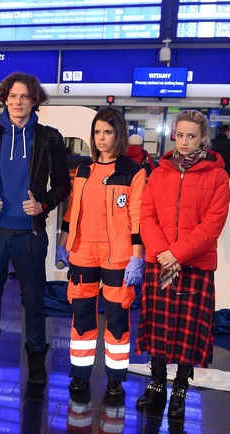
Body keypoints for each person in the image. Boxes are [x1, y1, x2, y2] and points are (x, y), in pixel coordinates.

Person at [0, 72, 71, 385]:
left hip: (31, 234)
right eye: (12, 96)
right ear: (4, 99)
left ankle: (35, 355)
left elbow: (63, 184)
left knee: (34, 299)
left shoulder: (49, 139)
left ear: (35, 100)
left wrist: (43, 205)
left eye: (24, 96)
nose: (17, 102)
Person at [135, 110, 230, 420]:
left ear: (203, 138)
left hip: (194, 265)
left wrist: (176, 253)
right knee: (158, 327)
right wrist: (162, 251)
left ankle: (179, 389)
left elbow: (213, 225)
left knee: (188, 332)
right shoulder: (159, 172)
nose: (184, 141)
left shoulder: (217, 175)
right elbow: (146, 215)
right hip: (160, 262)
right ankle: (157, 383)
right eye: (180, 135)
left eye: (192, 136)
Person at [57, 107, 146, 398]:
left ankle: (115, 377)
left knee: (117, 319)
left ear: (118, 134)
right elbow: (73, 207)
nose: (101, 138)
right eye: (97, 132)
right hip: (83, 251)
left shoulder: (133, 171)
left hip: (118, 256)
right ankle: (80, 373)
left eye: (108, 132)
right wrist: (64, 239)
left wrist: (137, 256)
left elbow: (137, 216)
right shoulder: (85, 169)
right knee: (82, 315)